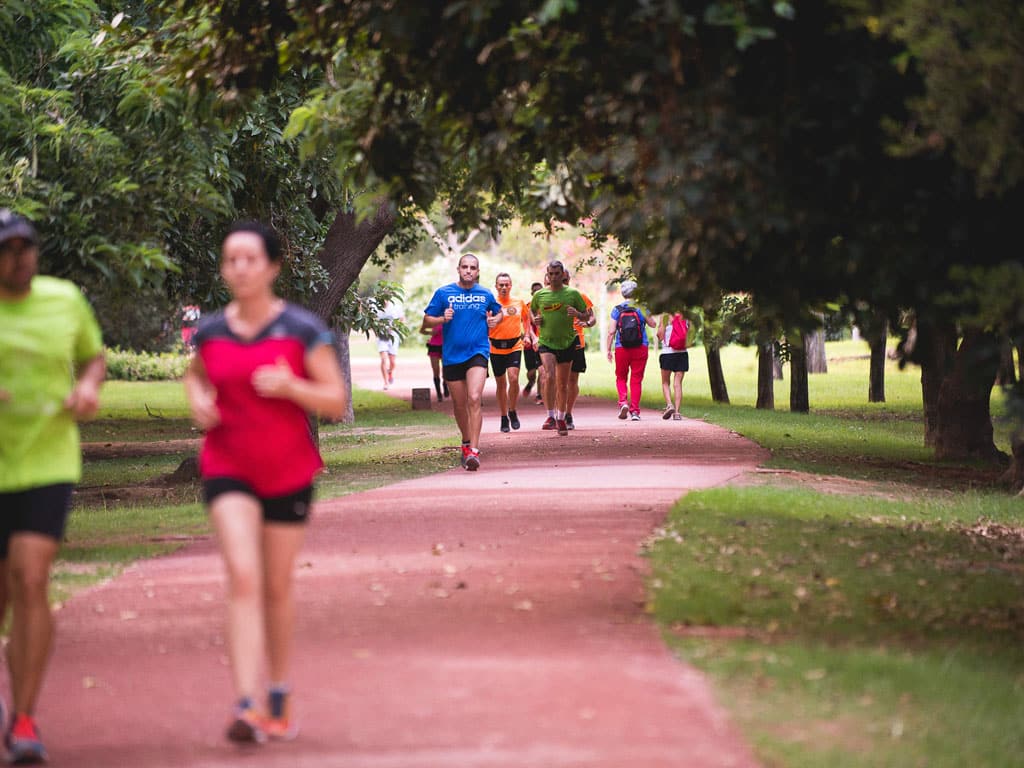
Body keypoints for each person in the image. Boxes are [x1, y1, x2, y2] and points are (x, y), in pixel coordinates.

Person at [183, 221, 347, 745]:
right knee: (243, 574)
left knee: (275, 586)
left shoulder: (300, 330)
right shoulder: (210, 331)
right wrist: (198, 402)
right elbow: (195, 374)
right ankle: (246, 703)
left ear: (273, 267)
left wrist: (290, 385)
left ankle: (278, 690)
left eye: (251, 259)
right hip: (227, 465)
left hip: (288, 470)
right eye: (232, 259)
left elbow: (336, 401)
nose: (241, 268)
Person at [0, 209, 105, 763]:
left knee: (32, 578)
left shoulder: (63, 299)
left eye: (26, 246)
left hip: (47, 460)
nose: (19, 257)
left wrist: (87, 389)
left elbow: (93, 358)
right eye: (7, 248)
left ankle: (24, 719)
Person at [422, 253, 501, 470]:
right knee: (459, 404)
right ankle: (466, 441)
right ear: (458, 269)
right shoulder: (444, 293)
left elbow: (498, 311)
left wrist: (495, 319)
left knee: (474, 397)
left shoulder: (485, 293)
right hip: (452, 355)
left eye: (472, 267)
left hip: (478, 351)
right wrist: (441, 319)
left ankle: (474, 451)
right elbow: (427, 320)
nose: (468, 270)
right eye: (464, 267)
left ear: (477, 271)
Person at [530, 260, 590, 436]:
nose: (554, 277)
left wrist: (578, 314)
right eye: (551, 274)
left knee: (563, 384)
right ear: (547, 275)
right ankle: (550, 416)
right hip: (546, 342)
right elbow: (532, 311)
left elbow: (587, 315)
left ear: (563, 274)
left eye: (557, 274)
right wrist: (535, 319)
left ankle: (561, 418)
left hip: (567, 342)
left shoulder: (572, 294)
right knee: (549, 376)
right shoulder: (540, 295)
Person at [606, 279, 658, 421]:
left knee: (621, 377)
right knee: (636, 379)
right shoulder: (641, 307)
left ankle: (623, 402)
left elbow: (611, 331)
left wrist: (608, 350)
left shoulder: (617, 309)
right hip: (641, 346)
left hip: (621, 347)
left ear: (623, 293)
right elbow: (653, 324)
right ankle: (635, 411)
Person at [488, 273, 532, 432]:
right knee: (501, 383)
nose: (504, 287)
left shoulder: (519, 303)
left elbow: (527, 319)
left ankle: (512, 410)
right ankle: (503, 416)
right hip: (495, 347)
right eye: (501, 285)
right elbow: (484, 324)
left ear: (511, 286)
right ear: (496, 286)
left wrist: (527, 335)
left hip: (514, 345)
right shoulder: (490, 303)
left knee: (513, 379)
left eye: (507, 284)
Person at [562, 269, 595, 430]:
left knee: (573, 380)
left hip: (576, 342)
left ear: (569, 279)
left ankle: (568, 413)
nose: (563, 282)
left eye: (566, 279)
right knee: (558, 380)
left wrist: (587, 323)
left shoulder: (579, 296)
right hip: (556, 343)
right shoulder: (548, 296)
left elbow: (592, 317)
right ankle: (558, 413)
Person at [657, 310, 689, 420]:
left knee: (665, 382)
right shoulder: (685, 315)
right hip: (682, 353)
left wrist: (659, 331)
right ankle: (677, 413)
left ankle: (669, 405)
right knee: (678, 383)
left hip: (667, 353)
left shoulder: (665, 315)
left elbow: (661, 335)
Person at [521, 281, 544, 403]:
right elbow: (524, 324)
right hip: (530, 344)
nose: (537, 292)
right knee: (531, 373)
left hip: (544, 343)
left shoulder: (547, 305)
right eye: (534, 290)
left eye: (539, 290)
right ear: (531, 292)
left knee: (542, 371)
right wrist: (528, 336)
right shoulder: (527, 307)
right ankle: (531, 382)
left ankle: (540, 395)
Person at [375, 300, 403, 390]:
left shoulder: (395, 307)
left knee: (392, 362)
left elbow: (402, 319)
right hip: (381, 336)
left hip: (393, 336)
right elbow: (373, 321)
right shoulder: (376, 308)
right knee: (383, 359)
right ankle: (386, 382)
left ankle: (390, 372)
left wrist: (394, 327)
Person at [422, 323, 448, 402]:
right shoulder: (432, 318)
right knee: (435, 370)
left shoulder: (449, 315)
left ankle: (445, 384)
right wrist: (431, 333)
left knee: (446, 369)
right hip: (434, 345)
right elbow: (422, 330)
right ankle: (439, 393)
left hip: (446, 345)